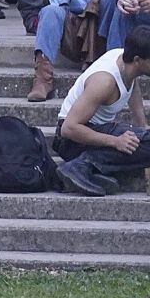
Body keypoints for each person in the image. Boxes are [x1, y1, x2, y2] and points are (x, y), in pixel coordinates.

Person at [53, 25, 150, 196]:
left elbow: (132, 87)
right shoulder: (104, 82)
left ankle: (95, 171)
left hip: (95, 130)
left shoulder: (125, 61)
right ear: (137, 60)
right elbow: (68, 129)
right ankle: (81, 165)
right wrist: (115, 141)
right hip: (71, 141)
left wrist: (143, 126)